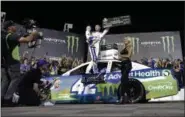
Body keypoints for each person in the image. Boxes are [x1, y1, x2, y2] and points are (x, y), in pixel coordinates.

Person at [1, 20, 40, 106]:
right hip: (13, 62)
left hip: (4, 63)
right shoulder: (10, 36)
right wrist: (34, 32)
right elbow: (27, 39)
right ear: (9, 28)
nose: (15, 27)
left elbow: (21, 37)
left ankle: (1, 100)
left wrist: (25, 32)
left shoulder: (3, 36)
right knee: (15, 80)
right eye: (13, 25)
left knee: (5, 81)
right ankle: (7, 100)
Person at [118, 38, 133, 104]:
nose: (124, 41)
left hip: (127, 64)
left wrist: (121, 56)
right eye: (124, 40)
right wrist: (118, 58)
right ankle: (129, 98)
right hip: (123, 64)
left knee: (122, 80)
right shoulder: (124, 47)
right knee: (125, 82)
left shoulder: (130, 47)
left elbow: (129, 56)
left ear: (128, 41)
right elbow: (122, 57)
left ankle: (121, 98)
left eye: (125, 40)